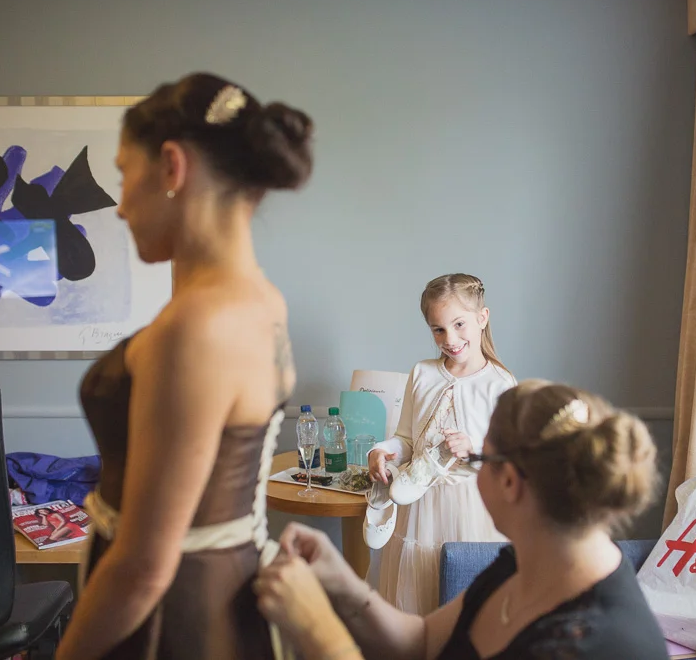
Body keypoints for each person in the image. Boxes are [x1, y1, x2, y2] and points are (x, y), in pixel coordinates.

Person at [56, 72, 314, 660]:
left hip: (169, 624)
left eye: (123, 174)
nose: (120, 207)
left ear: (171, 167)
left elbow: (142, 570)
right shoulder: (260, 300)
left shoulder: (196, 329)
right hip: (220, 600)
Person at [255, 380, 669, 659]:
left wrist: (317, 630)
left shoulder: (591, 643)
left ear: (509, 481)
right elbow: (422, 641)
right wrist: (342, 584)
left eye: (478, 457)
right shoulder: (519, 565)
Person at [367, 273, 516, 615]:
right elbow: (407, 439)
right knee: (417, 595)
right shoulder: (422, 373)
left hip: (473, 509)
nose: (450, 339)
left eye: (459, 324)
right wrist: (382, 450)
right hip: (418, 505)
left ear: (482, 318)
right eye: (438, 329)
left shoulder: (500, 383)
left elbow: (510, 461)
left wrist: (475, 449)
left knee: (466, 605)